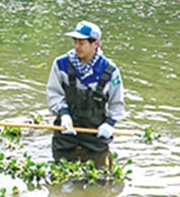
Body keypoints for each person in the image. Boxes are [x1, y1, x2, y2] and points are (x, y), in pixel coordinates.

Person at [46, 20, 126, 169]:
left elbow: (117, 104)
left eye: (81, 43)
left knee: (99, 176)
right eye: (75, 42)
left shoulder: (110, 71)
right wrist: (64, 115)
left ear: (95, 44)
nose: (77, 47)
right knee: (59, 176)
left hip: (95, 134)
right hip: (65, 131)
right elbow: (54, 94)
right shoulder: (60, 64)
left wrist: (109, 124)